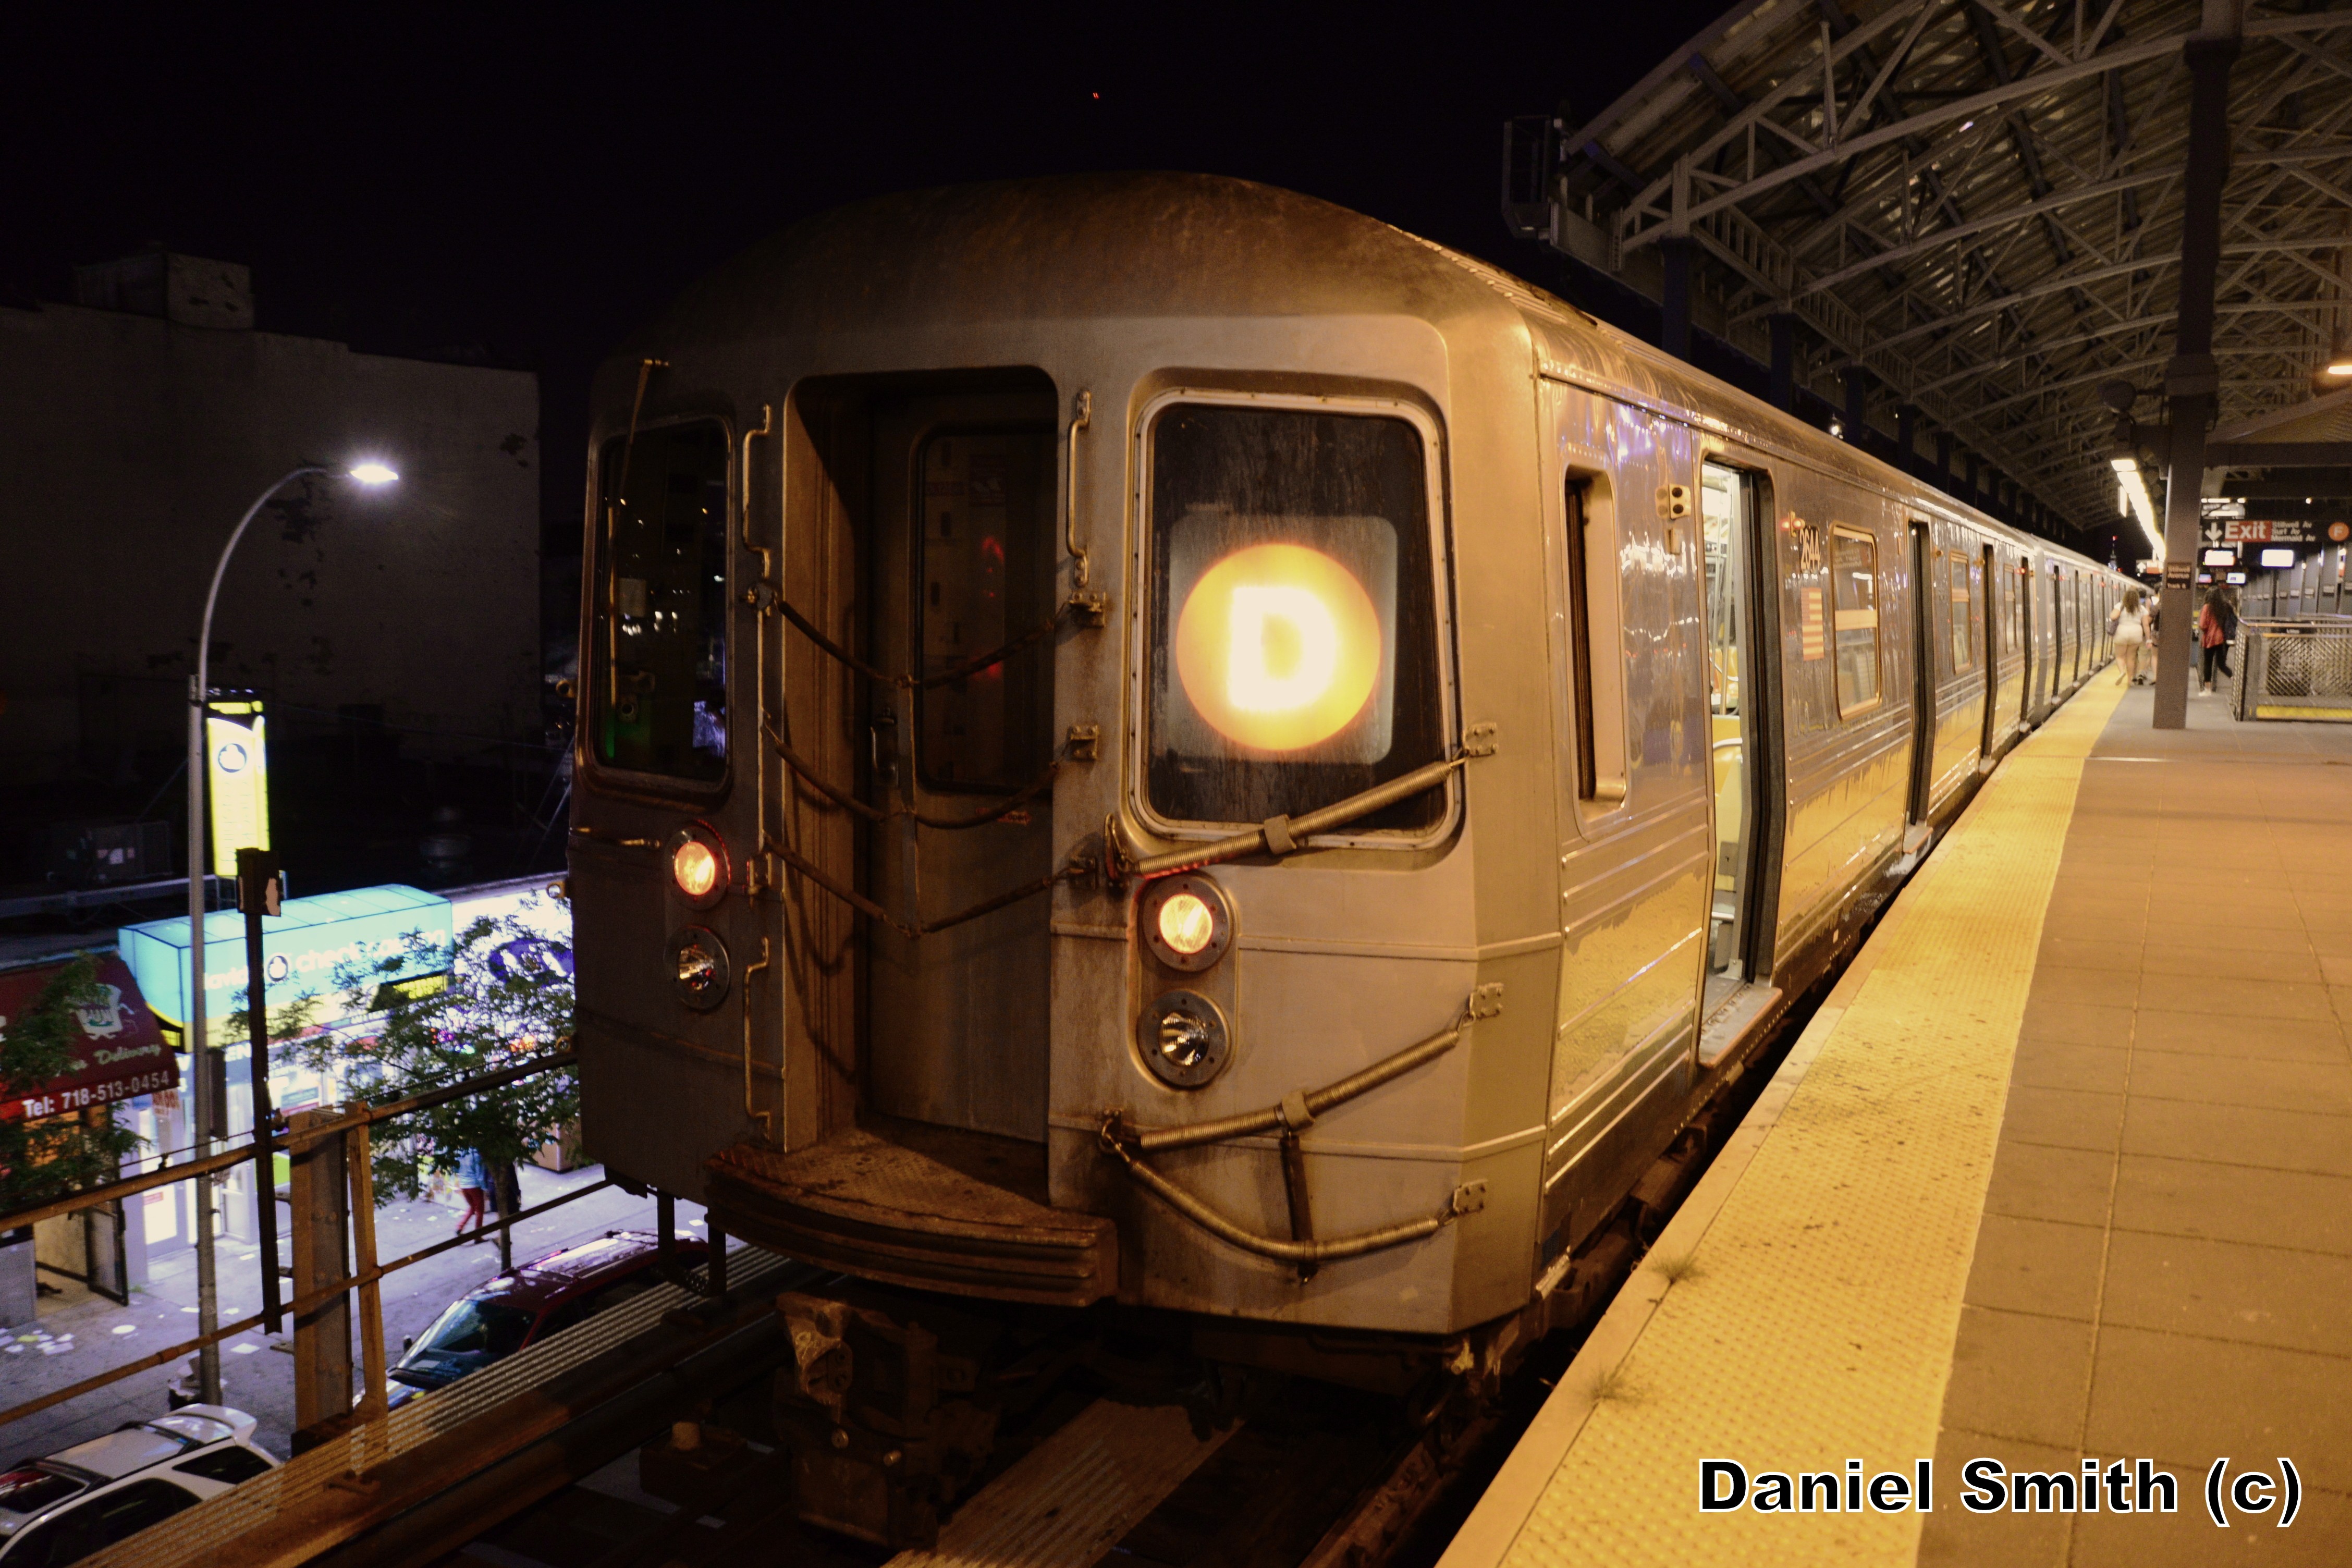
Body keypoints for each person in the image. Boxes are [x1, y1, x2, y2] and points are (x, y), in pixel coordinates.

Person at [2199, 588, 2237, 693]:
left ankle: (2207, 690)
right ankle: (2235, 680)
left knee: (2208, 664)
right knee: (2221, 664)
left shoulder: (2207, 607)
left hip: (2210, 640)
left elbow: (2203, 625)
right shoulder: (2226, 607)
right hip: (2223, 639)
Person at [2110, 585, 2149, 685]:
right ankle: (2130, 681)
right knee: (2131, 658)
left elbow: (2113, 617)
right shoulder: (2142, 608)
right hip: (2136, 633)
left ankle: (2122, 671)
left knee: (2120, 656)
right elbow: (2145, 625)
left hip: (2122, 632)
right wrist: (2148, 639)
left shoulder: (2120, 606)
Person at [454, 1147, 490, 1240]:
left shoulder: (461, 1152)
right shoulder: (477, 1156)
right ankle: (478, 1236)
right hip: (474, 1185)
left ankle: (460, 1226)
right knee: (480, 1211)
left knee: (472, 1207)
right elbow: (480, 1175)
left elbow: (456, 1168)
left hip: (463, 1184)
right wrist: (485, 1189)